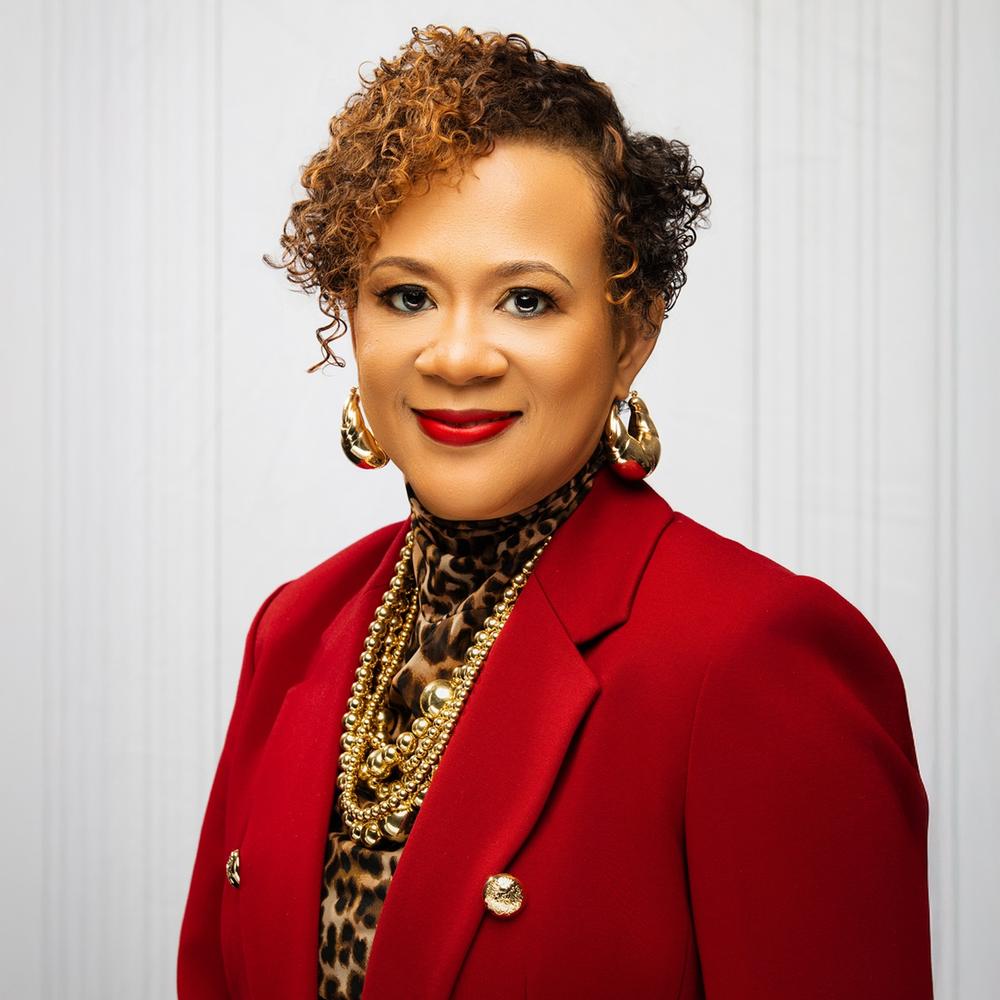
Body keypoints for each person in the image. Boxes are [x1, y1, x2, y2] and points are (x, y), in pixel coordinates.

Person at [177, 24, 933, 1000]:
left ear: (632, 334)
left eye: (526, 301)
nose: (456, 356)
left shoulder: (752, 655)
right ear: (350, 316)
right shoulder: (295, 628)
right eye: (406, 294)